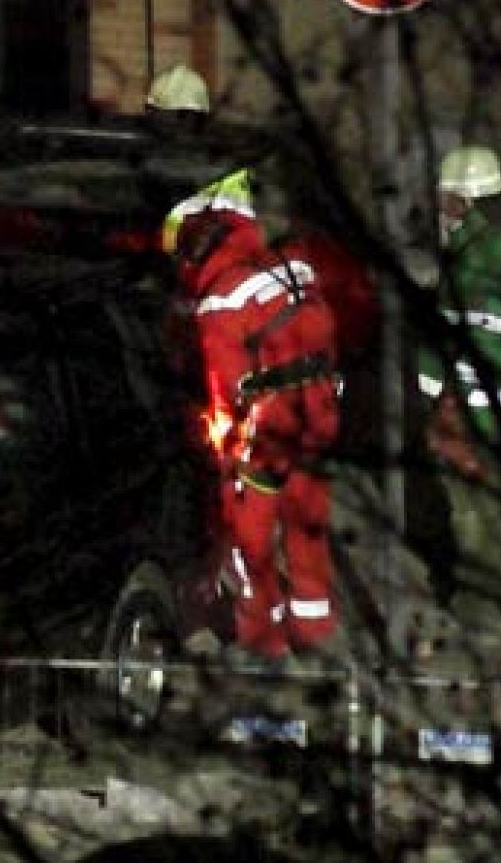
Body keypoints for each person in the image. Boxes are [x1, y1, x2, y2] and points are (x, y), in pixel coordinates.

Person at [159, 169, 344, 660]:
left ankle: (264, 640)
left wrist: (226, 444)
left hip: (270, 427)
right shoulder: (293, 261)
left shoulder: (220, 293)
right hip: (321, 408)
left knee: (250, 535)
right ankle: (317, 627)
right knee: (307, 520)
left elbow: (228, 385)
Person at [416, 144, 501, 624]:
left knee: (471, 509)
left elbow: (450, 335)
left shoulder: (474, 261)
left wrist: (432, 390)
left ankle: (482, 613)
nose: (440, 211)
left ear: (468, 200)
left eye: (447, 200)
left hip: (474, 407)